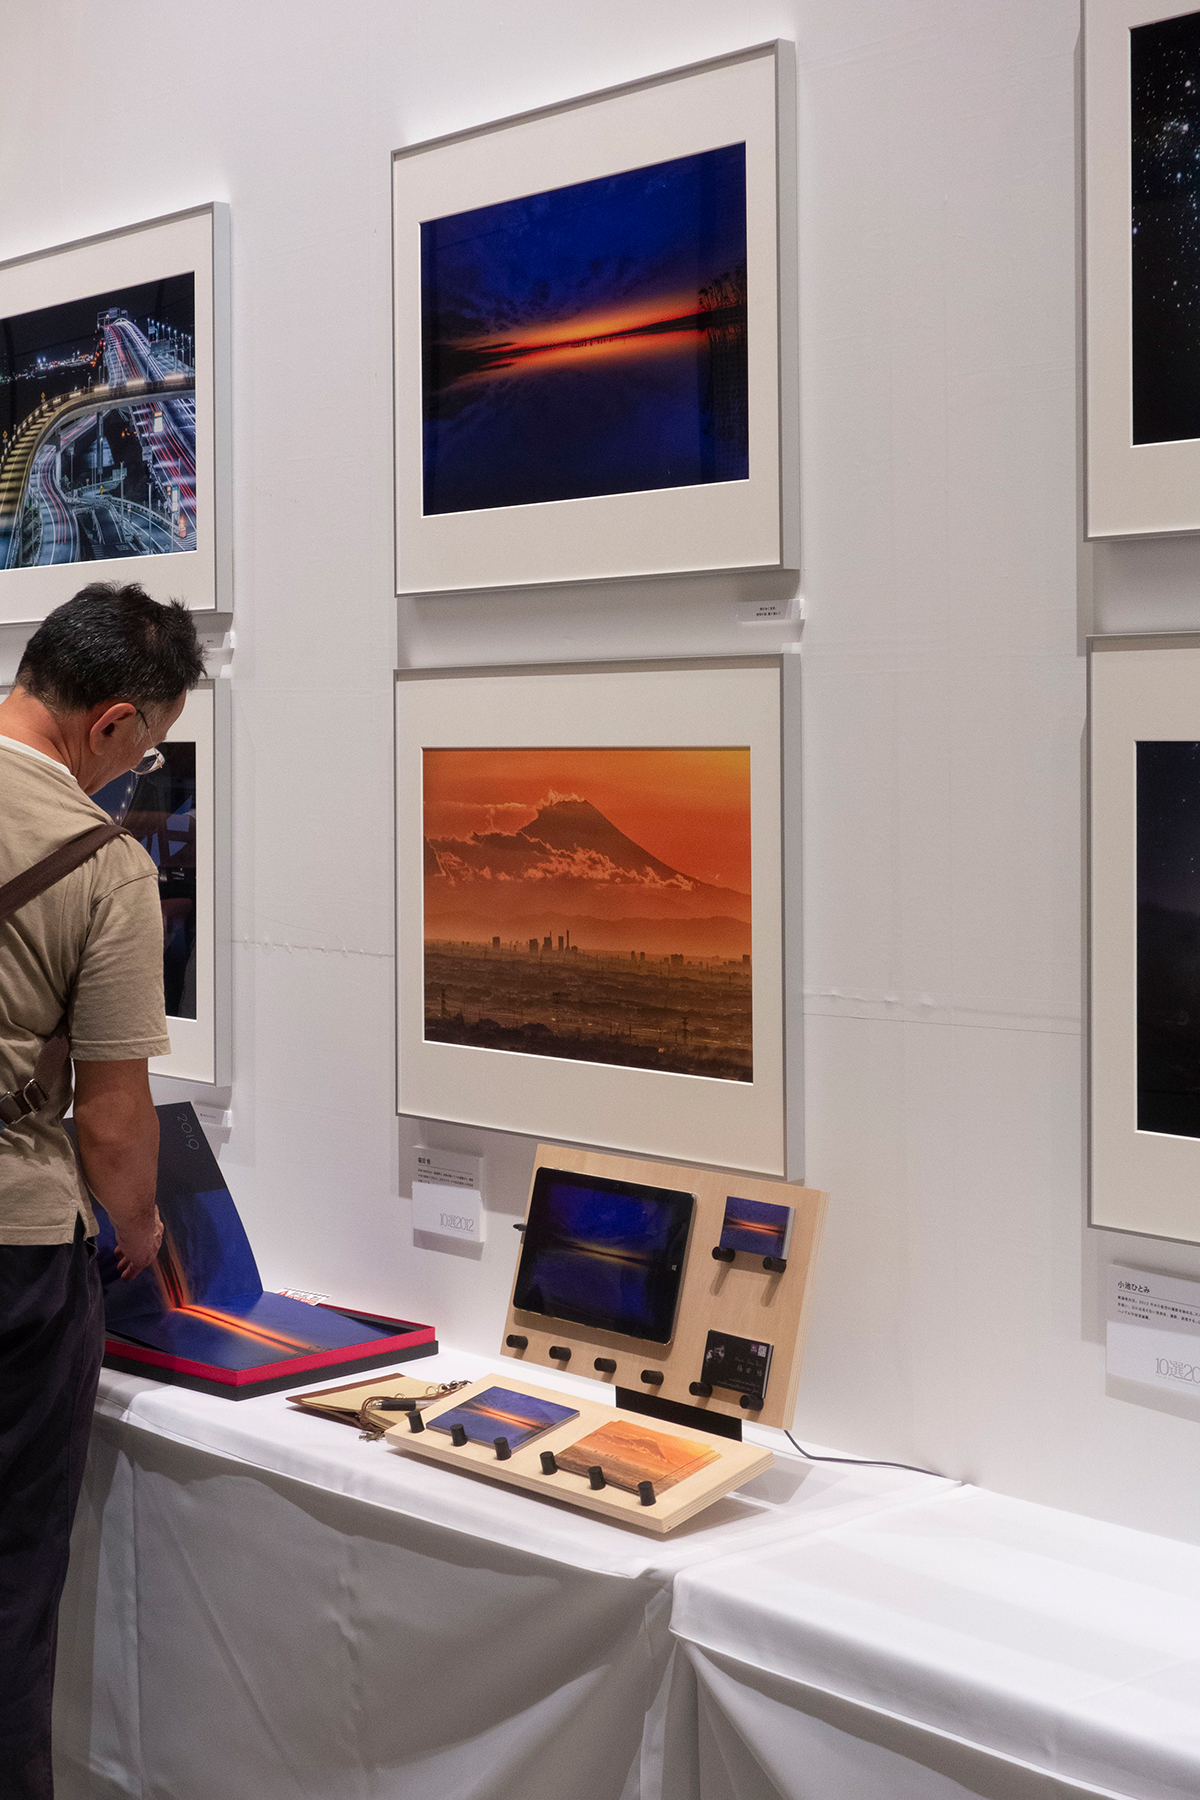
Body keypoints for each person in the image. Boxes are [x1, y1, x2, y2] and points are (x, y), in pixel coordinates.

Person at [0, 582, 205, 1800]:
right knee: (11, 1589)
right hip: (15, 1255)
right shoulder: (103, 864)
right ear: (116, 727)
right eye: (153, 748)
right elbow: (116, 1120)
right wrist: (137, 1235)